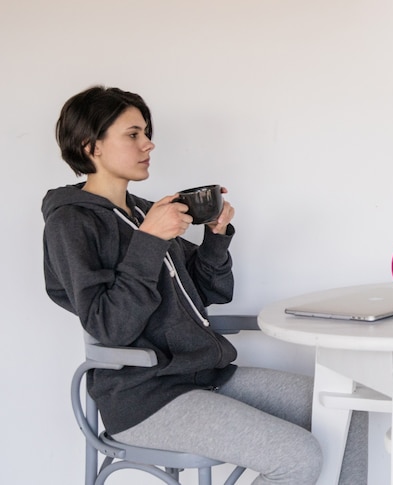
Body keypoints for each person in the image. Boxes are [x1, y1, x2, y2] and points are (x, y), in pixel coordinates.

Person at [43, 86, 367, 485]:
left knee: (351, 412)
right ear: (90, 145)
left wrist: (215, 235)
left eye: (146, 132)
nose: (149, 143)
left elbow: (208, 292)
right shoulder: (71, 223)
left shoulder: (145, 212)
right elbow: (109, 326)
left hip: (205, 374)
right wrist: (150, 240)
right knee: (298, 457)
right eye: (133, 135)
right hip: (145, 396)